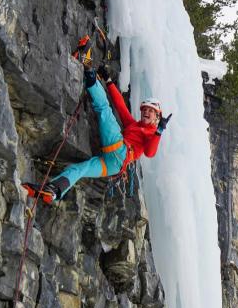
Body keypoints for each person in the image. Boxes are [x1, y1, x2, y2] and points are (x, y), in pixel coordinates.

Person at [22, 51, 171, 203]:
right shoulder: (134, 124)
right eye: (145, 109)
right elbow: (120, 105)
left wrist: (159, 131)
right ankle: (53, 191)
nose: (146, 112)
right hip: (114, 164)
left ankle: (90, 75)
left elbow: (150, 152)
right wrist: (108, 80)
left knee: (104, 109)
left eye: (151, 111)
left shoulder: (152, 133)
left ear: (157, 117)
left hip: (120, 152)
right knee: (79, 169)